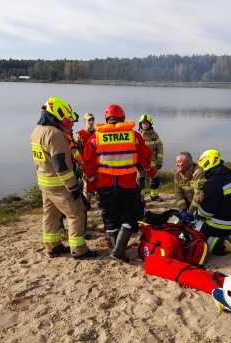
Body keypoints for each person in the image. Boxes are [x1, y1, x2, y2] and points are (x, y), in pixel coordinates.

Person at [29, 96, 96, 259]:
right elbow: (61, 165)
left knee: (50, 215)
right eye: (67, 121)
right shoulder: (55, 134)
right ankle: (79, 249)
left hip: (44, 182)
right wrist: (73, 187)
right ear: (56, 116)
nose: (71, 124)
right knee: (76, 213)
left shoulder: (36, 131)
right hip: (59, 184)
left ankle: (52, 246)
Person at [83, 104, 151, 262]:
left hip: (105, 186)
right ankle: (118, 250)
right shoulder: (134, 136)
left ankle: (116, 248)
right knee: (130, 216)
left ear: (106, 119)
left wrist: (92, 187)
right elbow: (145, 158)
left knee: (110, 217)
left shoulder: (95, 138)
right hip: (127, 184)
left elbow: (89, 166)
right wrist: (147, 171)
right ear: (123, 118)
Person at [195, 149, 231, 257]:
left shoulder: (212, 183)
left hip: (223, 225)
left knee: (196, 228)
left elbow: (205, 213)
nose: (202, 170)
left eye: (202, 166)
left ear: (207, 163)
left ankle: (222, 244)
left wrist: (197, 207)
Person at [137, 114, 164, 201]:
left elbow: (160, 148)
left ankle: (154, 195)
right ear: (140, 124)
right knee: (140, 180)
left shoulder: (155, 135)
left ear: (150, 124)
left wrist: (159, 161)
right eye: (143, 123)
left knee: (155, 179)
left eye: (147, 123)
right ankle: (141, 196)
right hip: (141, 162)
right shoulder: (137, 135)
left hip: (152, 162)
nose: (145, 125)